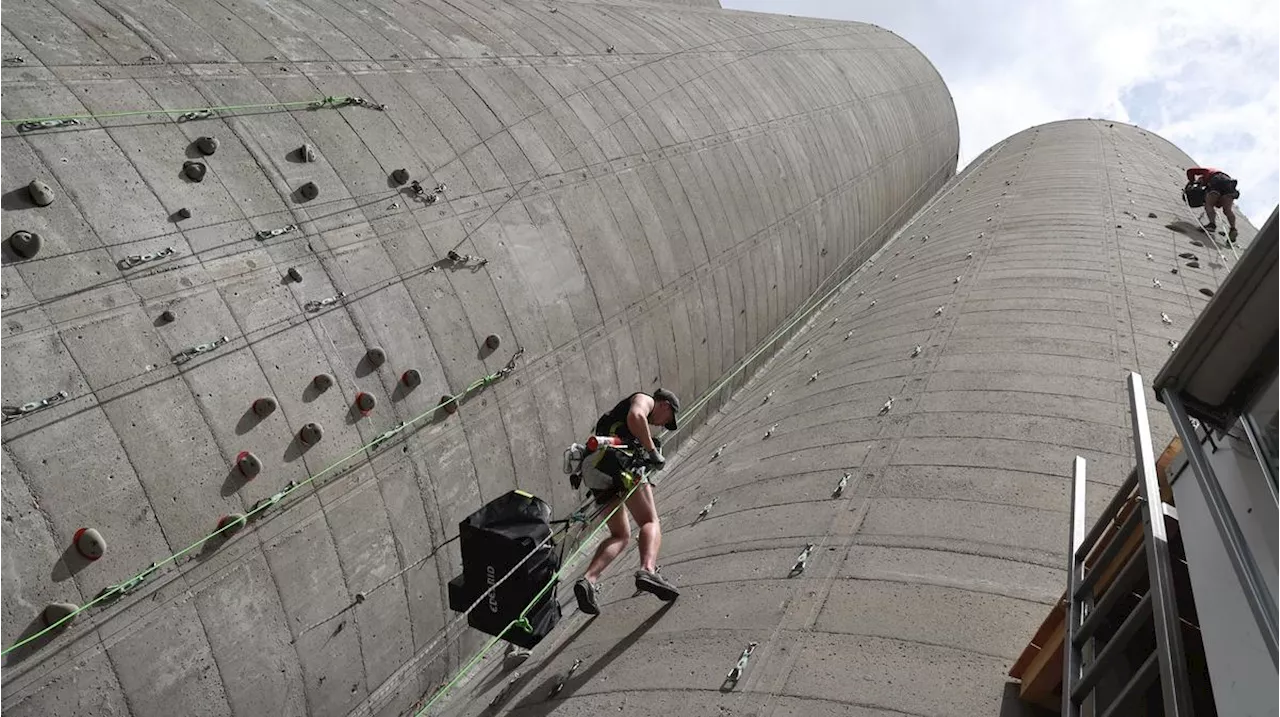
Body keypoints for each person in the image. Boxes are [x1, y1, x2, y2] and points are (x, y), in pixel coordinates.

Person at [573, 389, 682, 615]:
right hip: (618, 462)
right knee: (650, 521)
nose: (661, 426)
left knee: (620, 535)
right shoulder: (646, 399)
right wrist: (652, 451)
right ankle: (647, 570)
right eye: (667, 421)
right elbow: (636, 417)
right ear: (665, 405)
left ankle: (588, 580)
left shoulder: (623, 423)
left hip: (593, 468)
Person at [1185, 167, 1240, 241]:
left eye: (1200, 182)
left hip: (1217, 179)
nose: (1200, 185)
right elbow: (1218, 204)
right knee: (1227, 210)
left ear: (1202, 178)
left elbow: (1190, 171)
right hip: (1230, 184)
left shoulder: (1208, 172)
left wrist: (1191, 181)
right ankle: (1233, 229)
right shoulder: (1213, 180)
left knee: (1209, 205)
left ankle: (1212, 224)